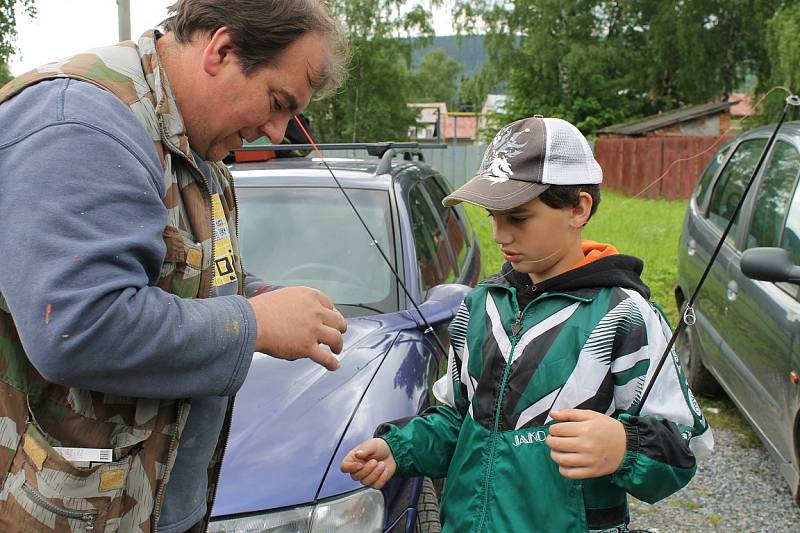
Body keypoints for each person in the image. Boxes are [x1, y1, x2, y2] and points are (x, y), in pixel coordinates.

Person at [0, 1, 348, 531]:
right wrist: (255, 323)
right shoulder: (81, 127)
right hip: (68, 509)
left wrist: (261, 295)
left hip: (150, 501)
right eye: (278, 103)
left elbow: (184, 271)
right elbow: (77, 327)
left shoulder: (194, 143)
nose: (278, 134)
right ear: (223, 50)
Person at [341, 116, 714, 532]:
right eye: (492, 216)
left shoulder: (623, 315)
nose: (499, 236)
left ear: (578, 208)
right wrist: (399, 449)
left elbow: (685, 445)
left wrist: (625, 446)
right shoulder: (481, 306)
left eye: (517, 218)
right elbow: (459, 420)